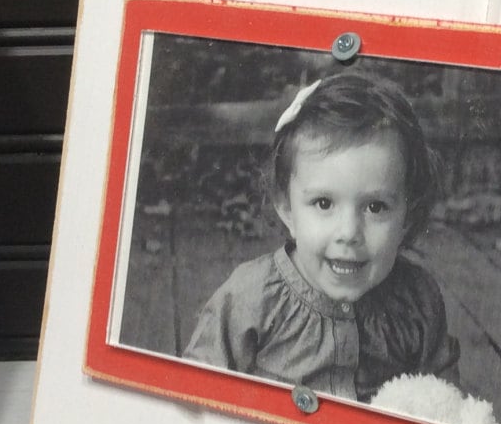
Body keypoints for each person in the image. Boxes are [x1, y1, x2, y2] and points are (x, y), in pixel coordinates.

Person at [184, 71, 460, 403]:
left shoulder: (417, 301)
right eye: (324, 203)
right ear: (287, 209)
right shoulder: (250, 298)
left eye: (375, 207)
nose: (349, 233)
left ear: (407, 216)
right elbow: (196, 392)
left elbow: (444, 401)